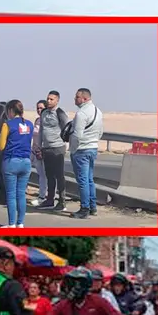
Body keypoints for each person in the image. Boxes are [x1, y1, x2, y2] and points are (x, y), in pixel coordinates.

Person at [0, 100, 34, 228]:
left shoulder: (8, 124)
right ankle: (20, 223)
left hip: (11, 161)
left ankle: (11, 223)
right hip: (26, 161)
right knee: (21, 194)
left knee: (11, 195)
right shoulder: (29, 124)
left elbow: (1, 146)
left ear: (11, 110)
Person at [70, 88, 104, 219]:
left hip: (82, 149)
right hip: (92, 148)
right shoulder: (98, 111)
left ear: (85, 98)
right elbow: (101, 132)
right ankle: (93, 207)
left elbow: (77, 135)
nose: (75, 99)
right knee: (89, 179)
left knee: (83, 180)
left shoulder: (81, 114)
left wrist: (73, 149)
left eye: (77, 97)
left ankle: (84, 209)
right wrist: (93, 142)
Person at [34, 90, 70, 210]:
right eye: (48, 99)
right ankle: (50, 200)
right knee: (49, 175)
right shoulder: (44, 113)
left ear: (57, 100)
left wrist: (65, 145)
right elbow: (41, 130)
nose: (49, 101)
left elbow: (67, 129)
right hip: (46, 148)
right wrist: (39, 145)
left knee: (59, 175)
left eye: (51, 99)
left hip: (58, 147)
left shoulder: (60, 113)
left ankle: (62, 201)